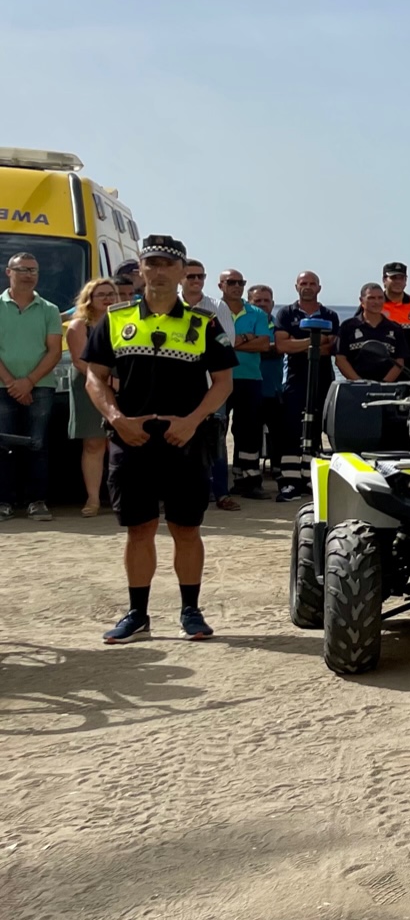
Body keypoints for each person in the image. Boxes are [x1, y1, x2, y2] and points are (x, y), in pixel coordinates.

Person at [83, 236, 237, 642]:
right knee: (139, 529)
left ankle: (191, 611)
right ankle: (138, 614)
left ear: (182, 270)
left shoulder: (203, 323)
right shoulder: (115, 319)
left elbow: (223, 383)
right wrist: (117, 419)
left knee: (186, 529)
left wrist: (192, 420)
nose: (160, 270)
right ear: (141, 267)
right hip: (131, 439)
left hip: (185, 440)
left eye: (169, 263)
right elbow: (94, 377)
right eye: (152, 262)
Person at [0, 251, 64, 522]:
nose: (28, 275)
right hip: (2, 388)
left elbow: (54, 351)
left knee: (38, 445)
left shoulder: (49, 309)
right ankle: (4, 501)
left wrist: (29, 382)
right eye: (23, 269)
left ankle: (37, 501)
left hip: (41, 387)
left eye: (33, 270)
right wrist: (12, 383)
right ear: (9, 272)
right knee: (2, 445)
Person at [271, 271, 338, 502]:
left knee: (317, 429)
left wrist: (298, 342)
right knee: (291, 430)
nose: (307, 287)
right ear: (296, 286)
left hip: (322, 379)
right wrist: (315, 340)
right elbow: (281, 346)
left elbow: (331, 349)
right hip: (294, 380)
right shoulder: (286, 313)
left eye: (312, 284)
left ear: (319, 287)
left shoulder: (330, 315)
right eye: (303, 283)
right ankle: (289, 482)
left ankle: (312, 479)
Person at [178, 259, 239, 511]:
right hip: (177, 386)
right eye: (191, 276)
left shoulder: (217, 306)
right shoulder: (169, 306)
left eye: (200, 276)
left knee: (216, 440)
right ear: (181, 277)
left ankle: (221, 493)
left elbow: (228, 343)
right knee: (178, 438)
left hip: (212, 385)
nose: (196, 281)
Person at [65, 278, 121, 516]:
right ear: (89, 299)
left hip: (121, 386)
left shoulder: (123, 322)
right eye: (102, 294)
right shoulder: (78, 326)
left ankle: (121, 497)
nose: (108, 298)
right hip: (90, 386)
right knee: (94, 443)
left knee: (122, 442)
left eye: (111, 294)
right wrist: (109, 382)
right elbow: (80, 362)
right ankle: (93, 500)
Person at [219, 270, 274, 499]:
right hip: (218, 378)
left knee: (248, 431)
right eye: (231, 282)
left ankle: (249, 482)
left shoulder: (256, 313)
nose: (236, 286)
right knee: (216, 430)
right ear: (221, 285)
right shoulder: (213, 310)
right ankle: (218, 483)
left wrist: (229, 342)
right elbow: (208, 344)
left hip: (249, 378)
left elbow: (264, 345)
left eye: (240, 282)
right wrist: (245, 338)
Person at [245, 284, 285, 489]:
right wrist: (261, 346)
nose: (262, 305)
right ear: (249, 303)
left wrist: (254, 345)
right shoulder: (246, 323)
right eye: (257, 301)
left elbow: (280, 347)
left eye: (265, 301)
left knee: (278, 434)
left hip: (274, 389)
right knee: (247, 434)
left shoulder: (277, 326)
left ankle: (278, 472)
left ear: (272, 303)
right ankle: (247, 475)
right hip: (249, 387)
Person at [335, 284, 410, 383]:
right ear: (361, 301)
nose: (376, 302)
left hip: (386, 387)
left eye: (380, 298)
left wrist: (384, 383)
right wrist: (360, 382)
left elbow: (399, 361)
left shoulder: (395, 328)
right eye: (371, 298)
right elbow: (340, 359)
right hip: (355, 387)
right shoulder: (348, 327)